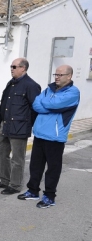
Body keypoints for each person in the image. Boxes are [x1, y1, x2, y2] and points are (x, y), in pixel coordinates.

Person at [18, 65, 80, 208]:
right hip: (40, 133)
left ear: (69, 76)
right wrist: (49, 105)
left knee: (53, 168)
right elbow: (36, 105)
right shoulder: (48, 90)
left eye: (60, 74)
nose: (57, 77)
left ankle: (49, 197)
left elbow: (55, 104)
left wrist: (48, 104)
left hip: (55, 137)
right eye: (55, 74)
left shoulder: (73, 92)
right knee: (35, 166)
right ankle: (33, 191)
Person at [0, 58, 41, 195]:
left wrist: (26, 124)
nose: (11, 69)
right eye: (11, 66)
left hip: (19, 127)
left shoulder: (31, 85)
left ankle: (15, 185)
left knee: (17, 159)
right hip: (5, 125)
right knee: (1, 153)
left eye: (14, 66)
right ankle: (4, 180)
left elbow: (35, 108)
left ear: (23, 68)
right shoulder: (11, 83)